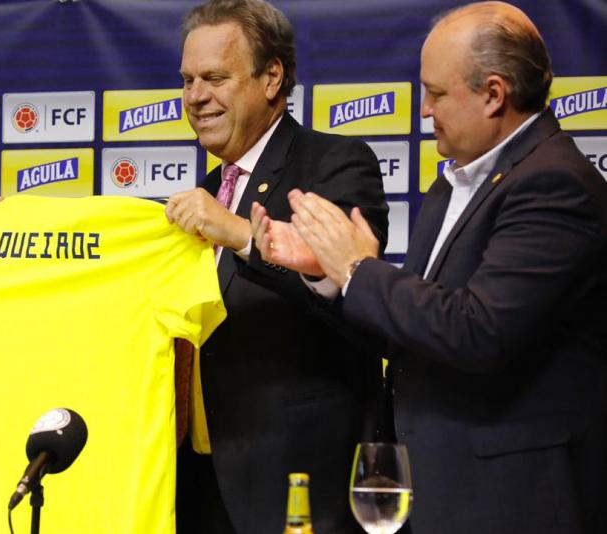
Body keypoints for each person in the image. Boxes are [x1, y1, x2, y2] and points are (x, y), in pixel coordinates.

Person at [252, 2, 607, 533]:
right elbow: (414, 334)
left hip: (513, 502)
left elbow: (478, 331)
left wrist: (358, 269)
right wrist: (330, 274)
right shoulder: (449, 187)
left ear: (494, 94)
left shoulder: (555, 184)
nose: (423, 111)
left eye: (436, 94)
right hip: (435, 494)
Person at [165, 1, 388, 532]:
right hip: (200, 482)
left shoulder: (335, 163)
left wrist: (241, 235)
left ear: (271, 78)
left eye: (215, 78)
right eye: (188, 80)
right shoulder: (206, 190)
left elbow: (353, 299)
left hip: (298, 478)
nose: (196, 97)